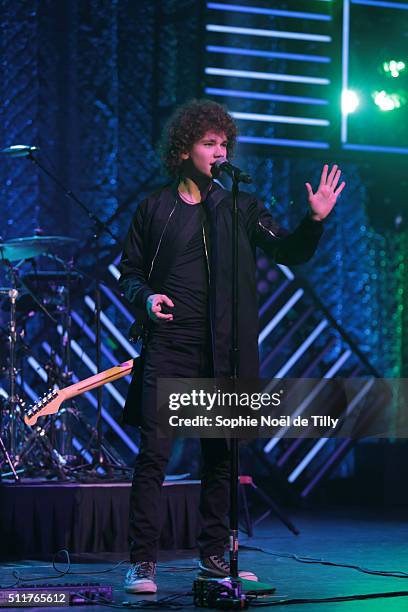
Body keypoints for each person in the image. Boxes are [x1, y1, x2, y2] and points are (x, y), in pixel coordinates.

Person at [118, 99, 345, 594]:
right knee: (154, 457)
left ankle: (215, 557)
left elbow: (288, 251)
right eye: (209, 143)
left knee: (221, 457)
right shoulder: (155, 208)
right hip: (169, 347)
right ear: (184, 150)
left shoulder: (240, 206)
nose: (219, 151)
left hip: (223, 350)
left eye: (224, 143)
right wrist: (147, 296)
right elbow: (130, 272)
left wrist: (315, 221)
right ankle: (142, 563)